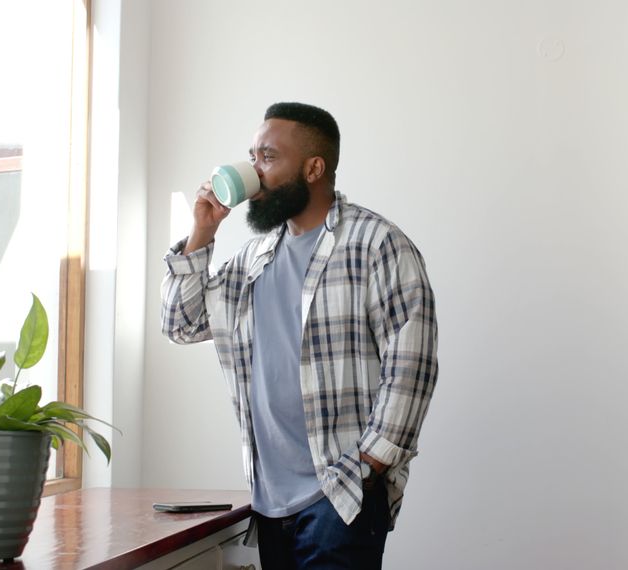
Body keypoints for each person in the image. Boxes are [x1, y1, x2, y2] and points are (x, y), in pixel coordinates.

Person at [161, 102, 438, 569]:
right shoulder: (253, 259)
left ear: (314, 167)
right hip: (269, 504)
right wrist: (202, 233)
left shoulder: (376, 245)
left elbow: (412, 366)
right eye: (252, 158)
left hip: (339, 499)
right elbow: (181, 324)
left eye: (268, 158)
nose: (255, 172)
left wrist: (368, 467)